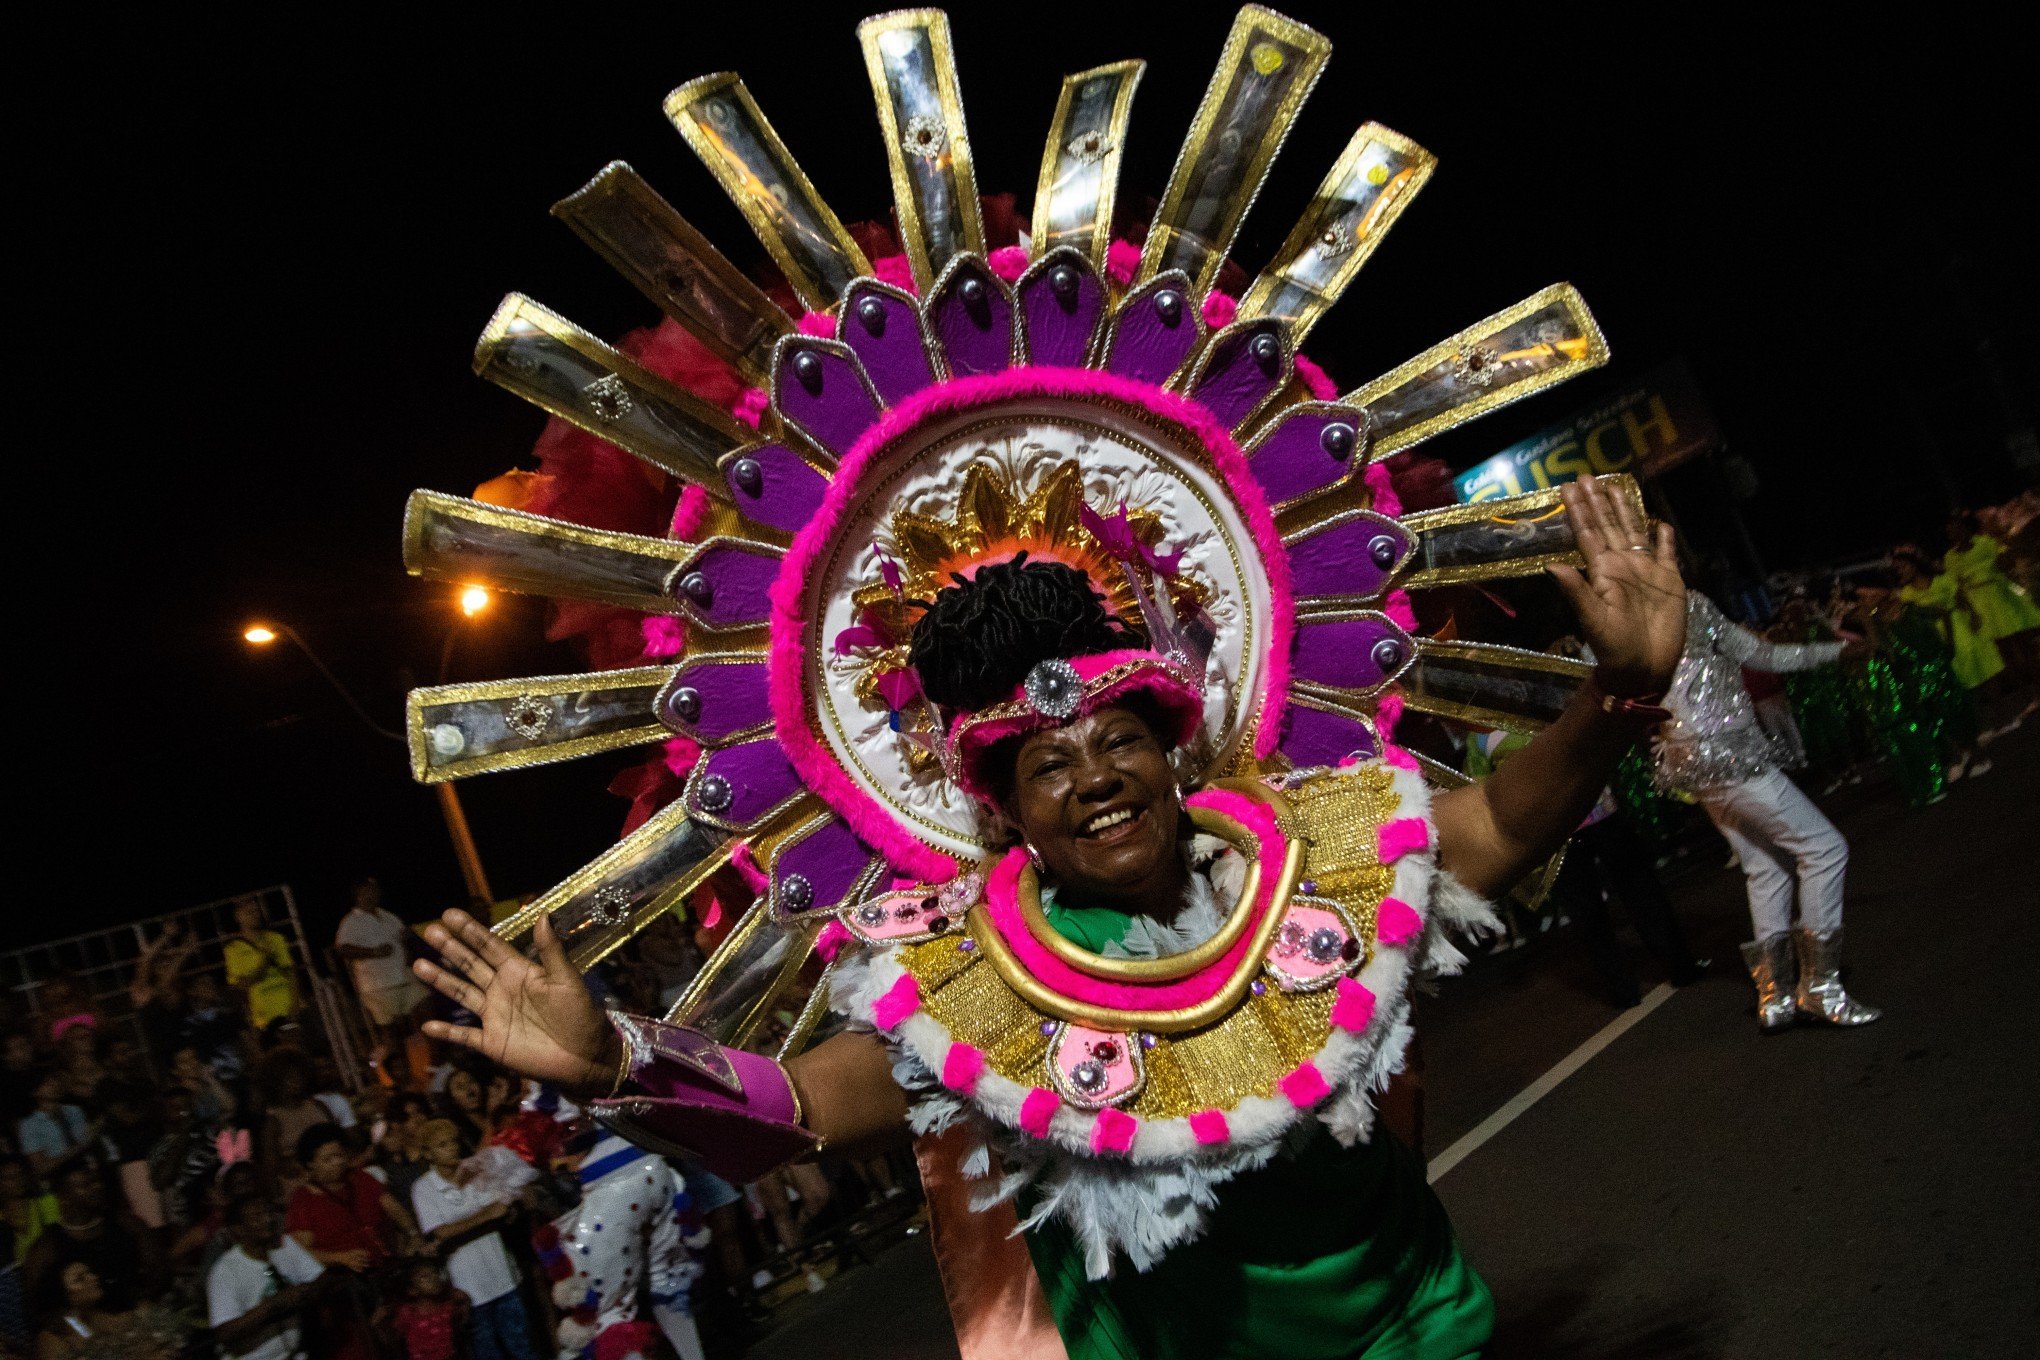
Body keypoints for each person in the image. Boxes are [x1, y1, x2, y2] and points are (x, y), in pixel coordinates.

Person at [414, 476, 1688, 1358]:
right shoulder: (964, 980)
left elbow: (1505, 827)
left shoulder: (1320, 849)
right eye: (1049, 763)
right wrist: (616, 1064)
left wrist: (1617, 692)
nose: (1095, 775)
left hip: (1419, 1328)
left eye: (1118, 738)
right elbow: (806, 1107)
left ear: (1174, 753)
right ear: (1009, 812)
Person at [1655, 591, 1883, 1033]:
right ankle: (1819, 987)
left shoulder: (1627, 615)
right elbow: (1760, 654)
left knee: (1766, 866)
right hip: (1728, 757)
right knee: (1824, 848)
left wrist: (1831, 650)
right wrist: (1834, 650)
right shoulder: (1684, 603)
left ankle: (1775, 996)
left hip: (1695, 765)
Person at [408, 1118, 538, 1360]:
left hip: (502, 1275)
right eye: (442, 1145)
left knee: (523, 1348)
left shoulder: (476, 1171)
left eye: (453, 1142)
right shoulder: (424, 1188)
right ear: (428, 1153)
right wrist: (487, 1215)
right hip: (469, 1288)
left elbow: (504, 1208)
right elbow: (440, 1231)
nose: (452, 1149)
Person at [205, 1193, 332, 1360]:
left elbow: (321, 1278)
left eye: (269, 1213)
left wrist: (305, 1293)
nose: (268, 1220)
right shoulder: (225, 1271)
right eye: (257, 1217)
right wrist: (273, 1305)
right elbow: (225, 1332)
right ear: (239, 1229)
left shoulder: (284, 1244)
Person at [284, 1123, 420, 1272]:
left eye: (340, 1156)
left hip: (388, 1264)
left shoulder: (360, 1178)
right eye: (328, 1160)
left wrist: (413, 1234)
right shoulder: (303, 1200)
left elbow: (393, 1207)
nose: (337, 1163)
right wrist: (339, 1258)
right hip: (344, 1277)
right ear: (310, 1164)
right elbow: (301, 1253)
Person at [333, 878, 426, 1064]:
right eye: (367, 891)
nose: (372, 894)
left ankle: (431, 1065)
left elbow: (404, 937)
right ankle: (399, 1072)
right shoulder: (352, 921)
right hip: (378, 986)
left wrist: (408, 946)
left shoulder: (388, 916)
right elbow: (342, 949)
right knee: (391, 1034)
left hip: (403, 977)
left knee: (425, 1012)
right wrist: (373, 952)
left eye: (374, 890)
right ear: (358, 895)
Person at [223, 897, 301, 1037]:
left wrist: (295, 1003)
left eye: (256, 911)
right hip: (265, 1016)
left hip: (288, 1007)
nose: (254, 915)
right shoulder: (233, 949)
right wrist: (263, 963)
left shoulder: (275, 938)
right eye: (249, 912)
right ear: (238, 917)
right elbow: (240, 985)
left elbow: (291, 971)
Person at [15, 1073, 95, 1182]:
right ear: (35, 1092)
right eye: (47, 1083)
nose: (54, 1085)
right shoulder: (29, 1124)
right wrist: (73, 1151)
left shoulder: (74, 1110)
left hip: (89, 1171)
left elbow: (87, 1139)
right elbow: (41, 1167)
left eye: (54, 1081)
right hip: (59, 1179)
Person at [389, 1258, 468, 1360]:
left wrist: (464, 1302)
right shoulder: (407, 1313)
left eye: (435, 1273)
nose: (433, 1279)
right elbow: (393, 1338)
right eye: (424, 1276)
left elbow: (462, 1323)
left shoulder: (446, 1306)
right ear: (412, 1290)